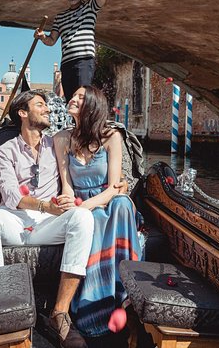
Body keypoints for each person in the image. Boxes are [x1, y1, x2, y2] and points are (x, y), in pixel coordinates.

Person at [0, 90, 94, 348]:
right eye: (40, 105)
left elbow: (89, 147)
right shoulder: (4, 150)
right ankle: (1, 306)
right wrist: (45, 206)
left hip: (48, 224)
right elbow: (10, 194)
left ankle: (59, 314)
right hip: (14, 220)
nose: (47, 109)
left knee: (82, 218)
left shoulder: (57, 143)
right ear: (23, 113)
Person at [53, 85, 141, 338]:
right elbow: (66, 183)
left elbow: (114, 187)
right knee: (87, 220)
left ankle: (127, 297)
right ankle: (96, 312)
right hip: (81, 205)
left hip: (107, 200)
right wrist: (70, 203)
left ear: (92, 105)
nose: (73, 98)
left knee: (122, 204)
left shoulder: (111, 137)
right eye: (74, 95)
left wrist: (88, 205)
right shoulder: (61, 139)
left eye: (80, 97)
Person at [34, 0, 115, 101]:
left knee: (82, 97)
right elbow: (51, 41)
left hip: (84, 60)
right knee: (71, 101)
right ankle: (75, 125)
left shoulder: (90, 7)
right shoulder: (59, 17)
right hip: (67, 63)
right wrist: (41, 36)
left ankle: (85, 125)